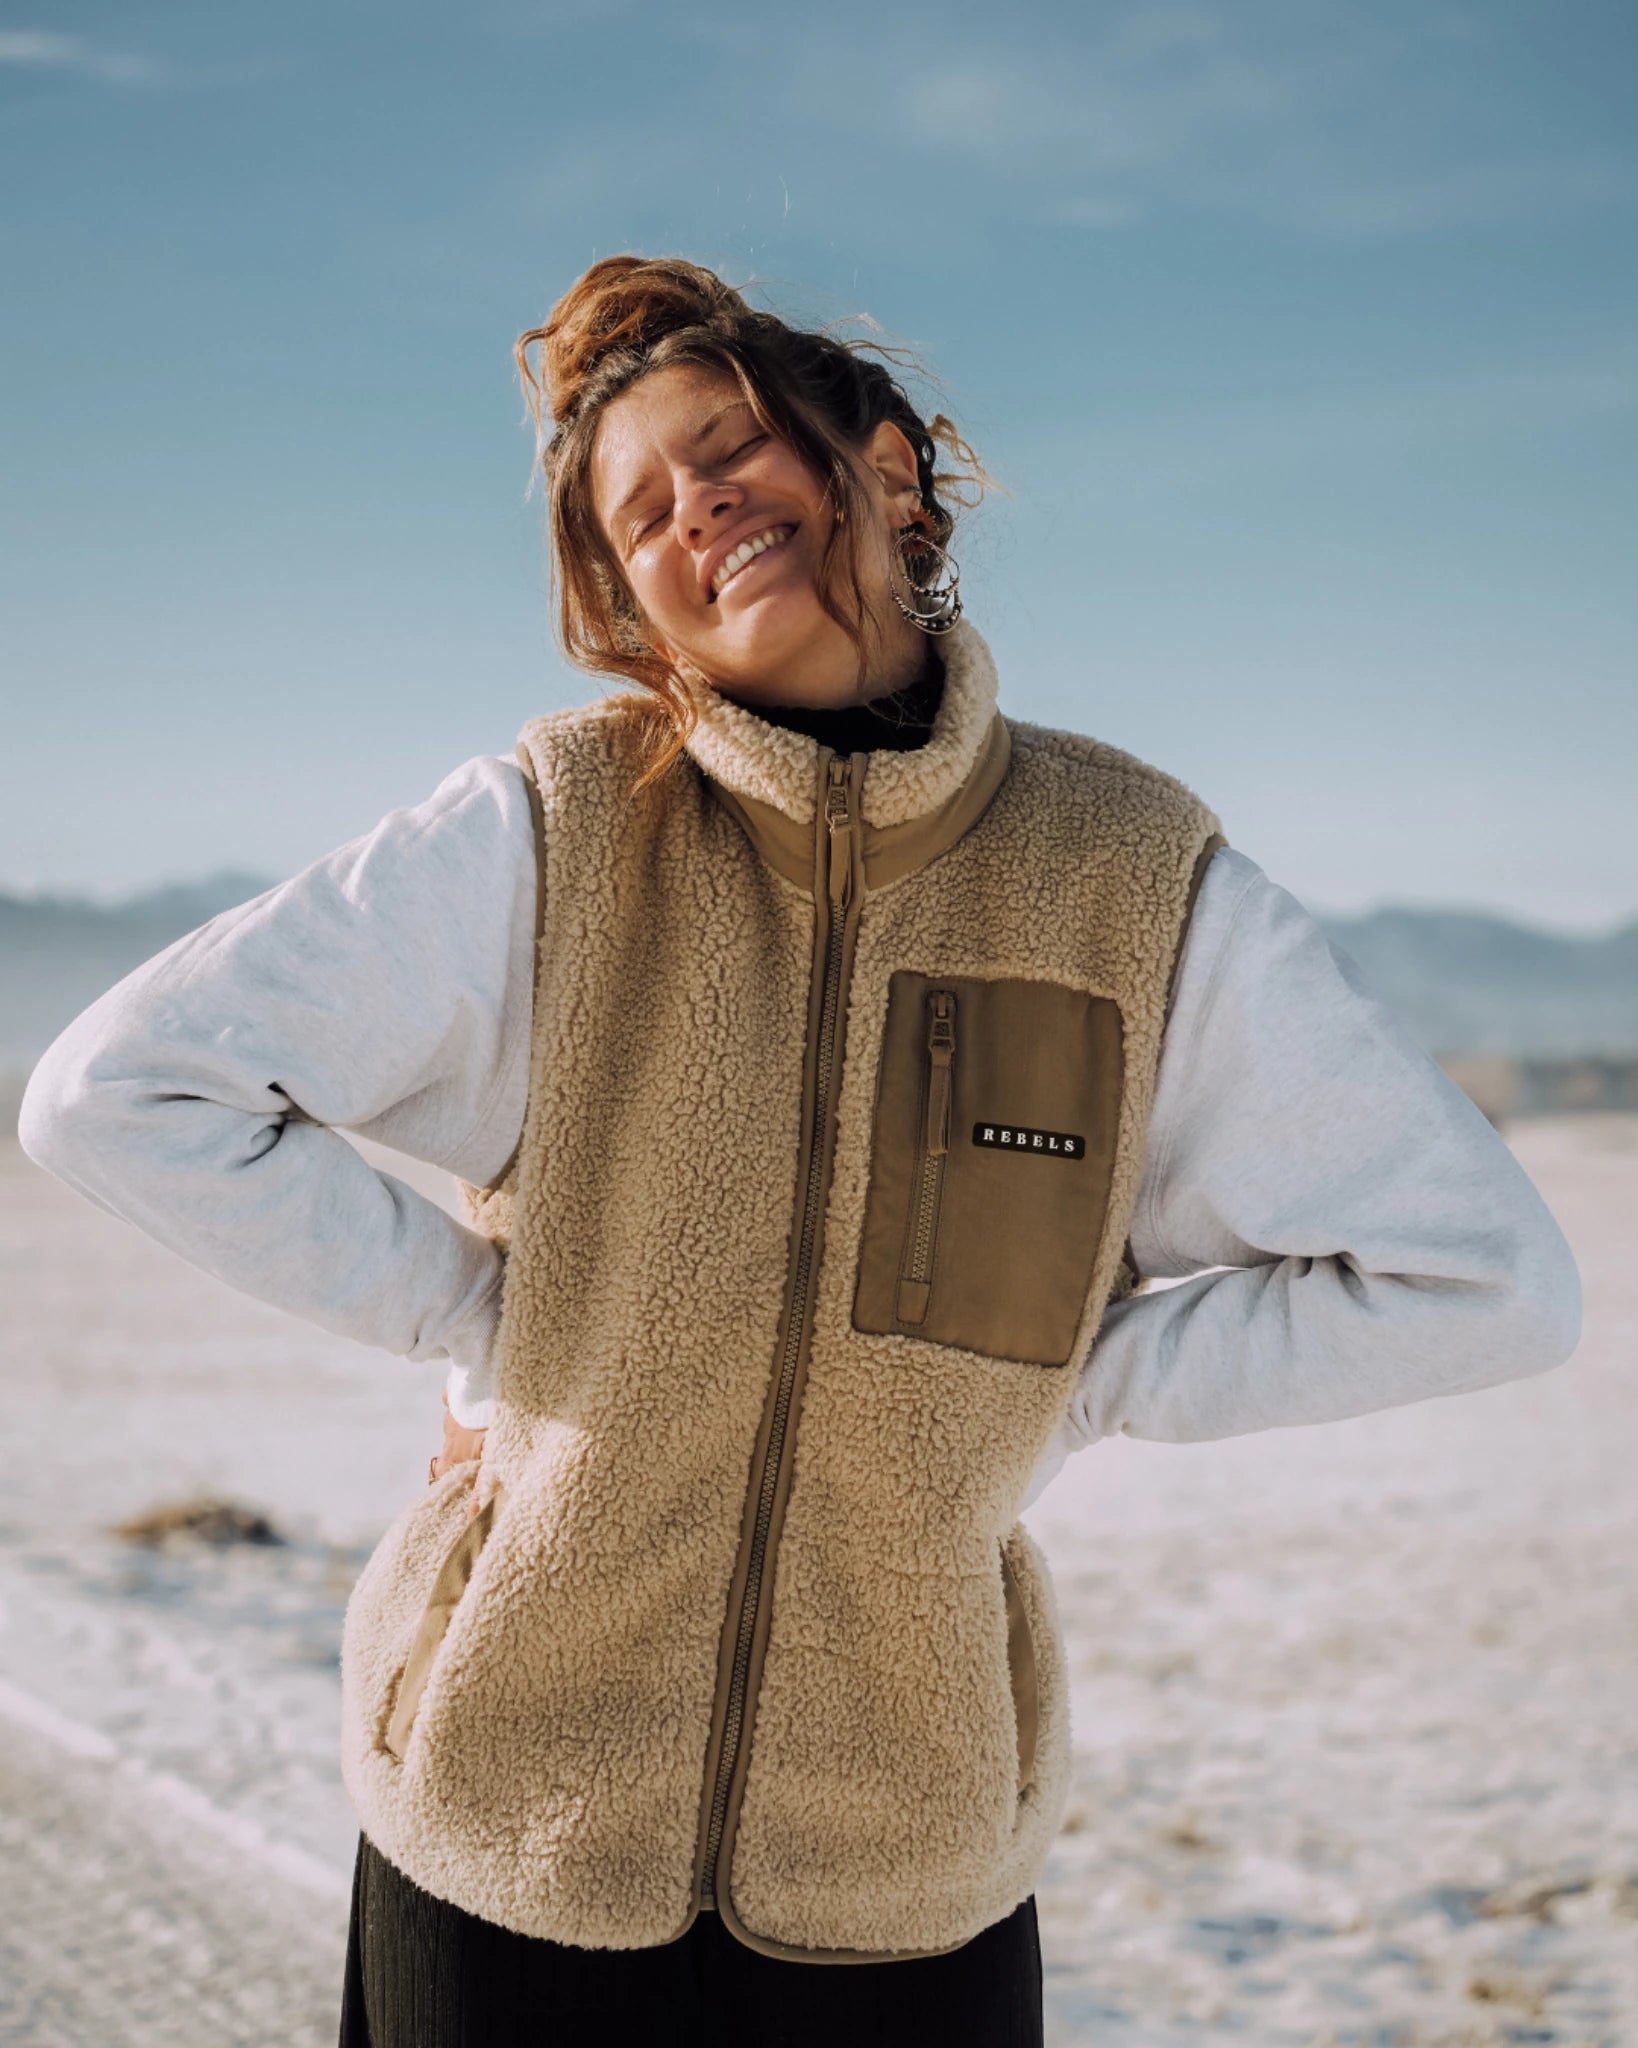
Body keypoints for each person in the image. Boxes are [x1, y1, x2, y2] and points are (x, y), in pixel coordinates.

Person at [19, 255, 1582, 2048]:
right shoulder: (557, 826)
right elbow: (120, 1091)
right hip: (509, 1828)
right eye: (638, 516)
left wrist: (1075, 1389)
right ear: (633, 604)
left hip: (902, 1870)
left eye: (726, 450)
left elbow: (1486, 1282)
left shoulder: (1135, 878)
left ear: (890, 471)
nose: (691, 509)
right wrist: (490, 1325)